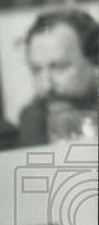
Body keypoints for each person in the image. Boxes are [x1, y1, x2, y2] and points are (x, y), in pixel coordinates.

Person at [18, 9, 99, 145]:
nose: (46, 85)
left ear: (95, 62)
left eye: (60, 67)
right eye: (36, 70)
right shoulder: (33, 118)